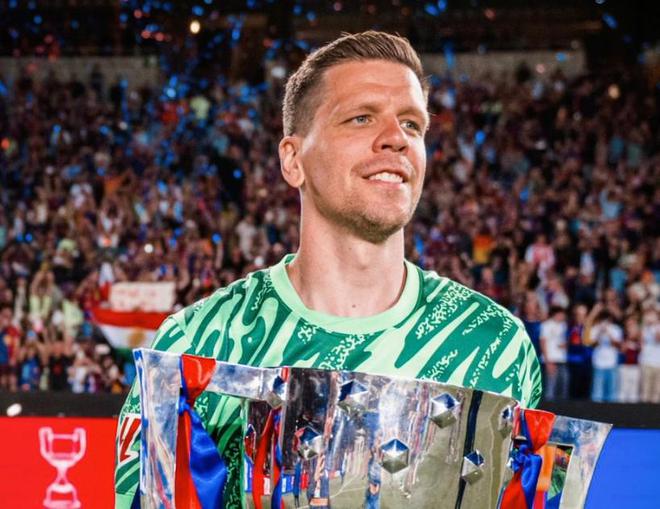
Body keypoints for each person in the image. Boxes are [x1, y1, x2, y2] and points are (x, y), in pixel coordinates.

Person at [114, 31, 542, 507]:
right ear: (293, 160)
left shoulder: (493, 345)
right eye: (361, 118)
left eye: (412, 124)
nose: (396, 139)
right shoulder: (201, 343)